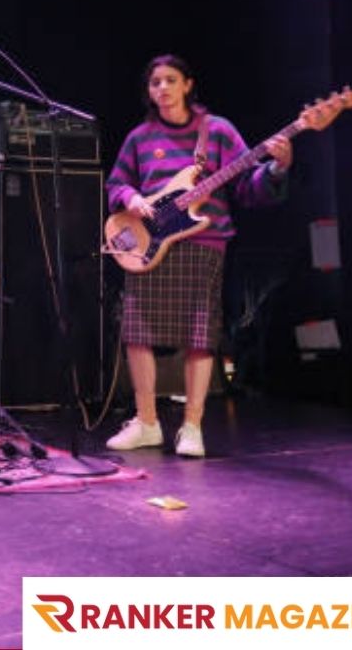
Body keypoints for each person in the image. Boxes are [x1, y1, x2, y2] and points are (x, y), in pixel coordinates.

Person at [104, 54, 291, 457]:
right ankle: (147, 423)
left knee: (199, 336)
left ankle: (192, 426)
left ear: (188, 85)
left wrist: (277, 169)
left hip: (203, 243)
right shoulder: (140, 138)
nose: (162, 88)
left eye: (170, 80)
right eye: (155, 82)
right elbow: (116, 183)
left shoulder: (217, 131)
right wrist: (131, 198)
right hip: (148, 243)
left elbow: (247, 187)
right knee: (137, 333)